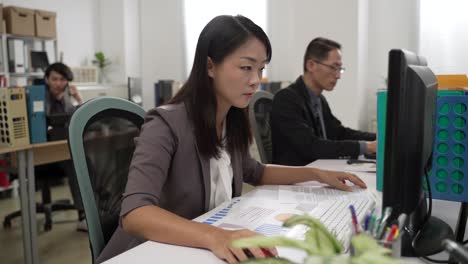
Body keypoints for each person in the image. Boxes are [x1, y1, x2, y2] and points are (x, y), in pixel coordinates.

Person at [97, 16, 366, 264]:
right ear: (210, 66)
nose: (255, 81)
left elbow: (256, 172)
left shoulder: (231, 121)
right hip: (147, 253)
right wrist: (216, 236)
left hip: (195, 250)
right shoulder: (165, 124)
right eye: (246, 67)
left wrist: (316, 174)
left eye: (260, 69)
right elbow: (135, 213)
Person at [271, 37, 377, 166]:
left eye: (340, 69)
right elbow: (312, 146)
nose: (338, 75)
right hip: (297, 177)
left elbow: (339, 133)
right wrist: (367, 147)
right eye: (333, 67)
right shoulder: (286, 99)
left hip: (316, 171)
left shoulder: (319, 99)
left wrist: (378, 138)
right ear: (311, 65)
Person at [40, 62, 86, 230]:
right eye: (54, 79)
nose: (59, 83)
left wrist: (78, 99)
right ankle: (83, 214)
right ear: (46, 80)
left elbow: (77, 120)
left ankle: (95, 207)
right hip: (41, 155)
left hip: (62, 149)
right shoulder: (39, 97)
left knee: (82, 158)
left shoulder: (66, 97)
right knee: (75, 162)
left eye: (62, 79)